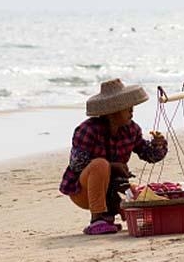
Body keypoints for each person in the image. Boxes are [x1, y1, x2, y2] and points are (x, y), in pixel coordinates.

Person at [59, 78, 168, 235]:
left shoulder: (132, 130)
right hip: (82, 191)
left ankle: (110, 216)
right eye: (127, 108)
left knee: (138, 192)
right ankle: (96, 219)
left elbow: (149, 155)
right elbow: (77, 165)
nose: (132, 111)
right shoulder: (88, 130)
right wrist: (112, 166)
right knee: (101, 165)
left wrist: (158, 144)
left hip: (113, 187)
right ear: (113, 112)